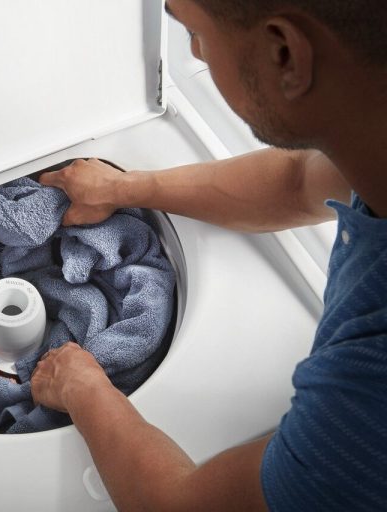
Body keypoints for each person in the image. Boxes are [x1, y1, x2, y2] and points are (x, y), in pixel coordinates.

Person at [31, 0, 387, 510]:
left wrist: (82, 386)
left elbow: (182, 506)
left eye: (193, 32)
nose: (195, 52)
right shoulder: (371, 138)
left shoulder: (368, 401)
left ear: (285, 53)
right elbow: (295, 181)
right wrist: (122, 187)